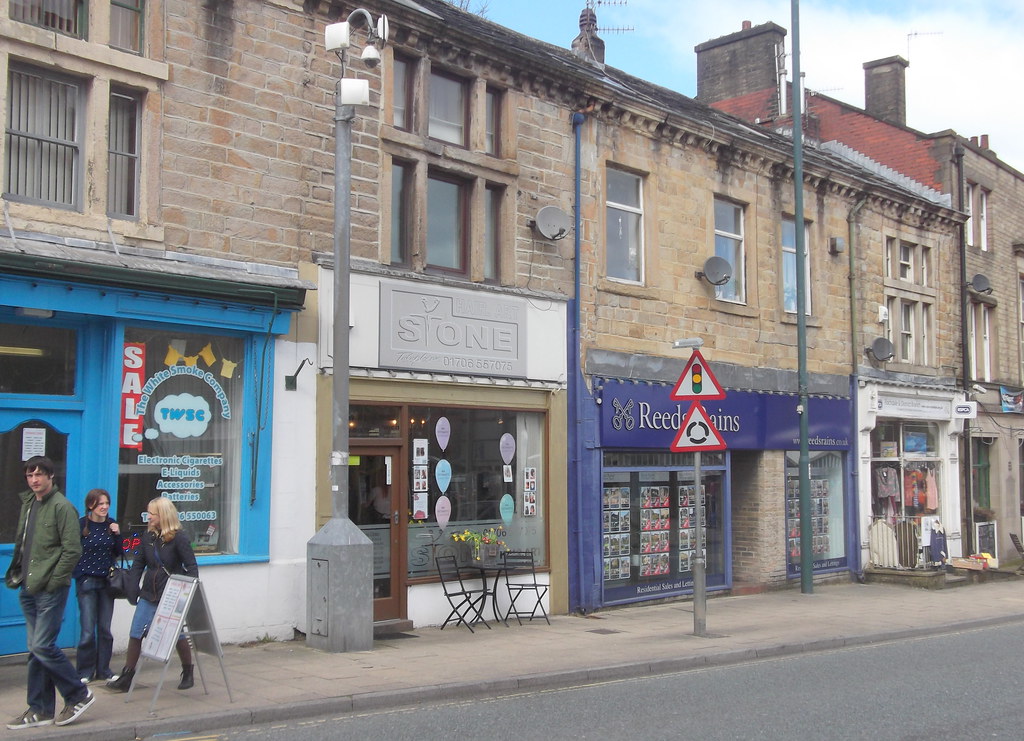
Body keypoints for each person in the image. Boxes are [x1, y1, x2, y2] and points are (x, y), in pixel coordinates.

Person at [6, 456, 96, 730]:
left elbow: (72, 551)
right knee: (36, 651)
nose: (34, 480)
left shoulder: (62, 507)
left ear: (50, 476)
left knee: (42, 646)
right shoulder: (30, 504)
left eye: (39, 475)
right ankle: (40, 709)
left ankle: (79, 694)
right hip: (28, 587)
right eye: (29, 475)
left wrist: (54, 581)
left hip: (49, 589)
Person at [108, 496, 199, 693]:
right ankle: (127, 675)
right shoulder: (148, 537)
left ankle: (188, 670)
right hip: (149, 593)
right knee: (136, 631)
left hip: (172, 593)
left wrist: (186, 593)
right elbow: (138, 564)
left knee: (176, 635)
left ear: (163, 516)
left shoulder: (179, 538)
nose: (148, 517)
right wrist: (133, 589)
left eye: (152, 514)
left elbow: (191, 568)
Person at [73, 489, 121, 683]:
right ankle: (84, 671)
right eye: (100, 503)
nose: (104, 507)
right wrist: (78, 574)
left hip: (107, 582)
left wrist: (118, 535)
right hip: (87, 581)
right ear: (90, 505)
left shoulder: (111, 524)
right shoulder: (81, 525)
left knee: (105, 629)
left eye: (106, 503)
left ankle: (104, 670)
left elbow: (118, 552)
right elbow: (72, 550)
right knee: (87, 630)